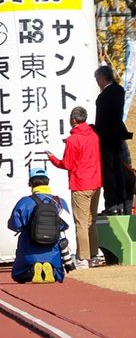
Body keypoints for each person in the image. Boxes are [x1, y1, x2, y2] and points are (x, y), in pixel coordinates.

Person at [47, 106, 103, 268]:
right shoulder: (93, 136)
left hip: (81, 184)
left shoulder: (73, 140)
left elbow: (67, 164)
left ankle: (82, 258)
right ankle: (93, 255)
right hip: (95, 182)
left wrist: (52, 158)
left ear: (73, 120)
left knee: (80, 222)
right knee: (91, 221)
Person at [8, 167, 72, 283]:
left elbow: (14, 225)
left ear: (31, 184)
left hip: (29, 249)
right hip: (53, 250)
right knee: (57, 273)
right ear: (48, 182)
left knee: (19, 275)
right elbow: (65, 225)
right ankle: (51, 268)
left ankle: (33, 269)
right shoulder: (59, 202)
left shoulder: (24, 202)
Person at [94, 65, 132, 215]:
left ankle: (112, 204)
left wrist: (96, 131)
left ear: (103, 77)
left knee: (109, 173)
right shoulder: (119, 90)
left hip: (106, 139)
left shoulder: (105, 95)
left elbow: (102, 120)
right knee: (118, 172)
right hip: (117, 138)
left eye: (98, 79)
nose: (98, 82)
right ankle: (120, 203)